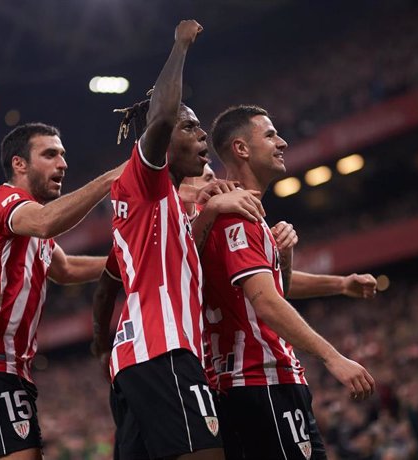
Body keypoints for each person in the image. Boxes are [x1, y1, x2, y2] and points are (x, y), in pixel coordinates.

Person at [106, 20, 264, 460]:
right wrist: (179, 46)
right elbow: (159, 116)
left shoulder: (166, 200)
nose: (201, 137)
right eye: (190, 128)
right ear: (160, 140)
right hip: (163, 349)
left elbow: (175, 259)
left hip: (139, 357)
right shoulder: (143, 177)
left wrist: (209, 213)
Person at [202, 105, 376, 460]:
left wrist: (341, 284)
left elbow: (268, 286)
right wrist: (332, 357)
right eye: (269, 134)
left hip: (249, 382)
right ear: (242, 149)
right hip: (260, 380)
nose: (281, 142)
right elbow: (265, 300)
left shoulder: (238, 214)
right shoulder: (235, 214)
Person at [0, 122, 125, 460]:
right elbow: (46, 221)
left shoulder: (32, 224)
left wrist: (130, 264)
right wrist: (111, 178)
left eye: (63, 155)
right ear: (20, 164)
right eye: (50, 154)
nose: (63, 163)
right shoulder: (5, 201)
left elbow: (66, 269)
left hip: (9, 365)